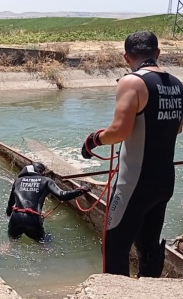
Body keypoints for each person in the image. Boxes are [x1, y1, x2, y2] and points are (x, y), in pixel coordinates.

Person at [81, 31, 183, 277]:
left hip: (134, 183)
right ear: (157, 53)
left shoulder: (132, 82)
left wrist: (92, 141)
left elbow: (119, 131)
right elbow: (177, 127)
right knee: (149, 246)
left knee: (114, 245)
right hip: (165, 180)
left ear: (127, 57)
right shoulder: (178, 84)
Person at [6, 162, 90, 243]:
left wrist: (9, 214)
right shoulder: (46, 181)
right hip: (32, 219)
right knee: (44, 244)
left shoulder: (18, 181)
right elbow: (62, 195)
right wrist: (83, 189)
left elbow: (10, 204)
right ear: (41, 172)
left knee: (11, 242)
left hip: (15, 217)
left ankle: (5, 249)